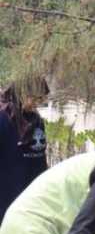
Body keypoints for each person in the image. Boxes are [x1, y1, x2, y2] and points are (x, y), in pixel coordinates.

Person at [0, 78, 49, 226]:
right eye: (35, 97)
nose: (38, 102)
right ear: (21, 93)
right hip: (6, 194)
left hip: (31, 195)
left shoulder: (37, 121)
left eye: (41, 98)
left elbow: (40, 156)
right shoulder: (3, 119)